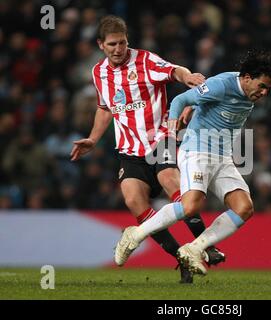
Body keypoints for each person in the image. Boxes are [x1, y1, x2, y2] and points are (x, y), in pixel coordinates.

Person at [70, 15, 225, 283]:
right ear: (100, 45)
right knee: (133, 200)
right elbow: (105, 109)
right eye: (112, 44)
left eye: (122, 43)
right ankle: (182, 258)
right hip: (129, 150)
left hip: (160, 139)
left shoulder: (145, 60)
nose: (118, 49)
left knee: (171, 181)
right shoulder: (98, 73)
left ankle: (206, 246)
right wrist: (93, 139)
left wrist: (188, 78)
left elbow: (175, 70)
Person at [113, 49, 271, 276]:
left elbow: (200, 98)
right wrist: (173, 128)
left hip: (223, 157)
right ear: (248, 78)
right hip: (197, 150)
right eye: (262, 86)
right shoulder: (222, 84)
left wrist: (196, 105)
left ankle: (194, 249)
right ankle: (135, 235)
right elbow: (181, 98)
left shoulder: (242, 88)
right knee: (191, 205)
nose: (263, 93)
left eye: (268, 89)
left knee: (244, 208)